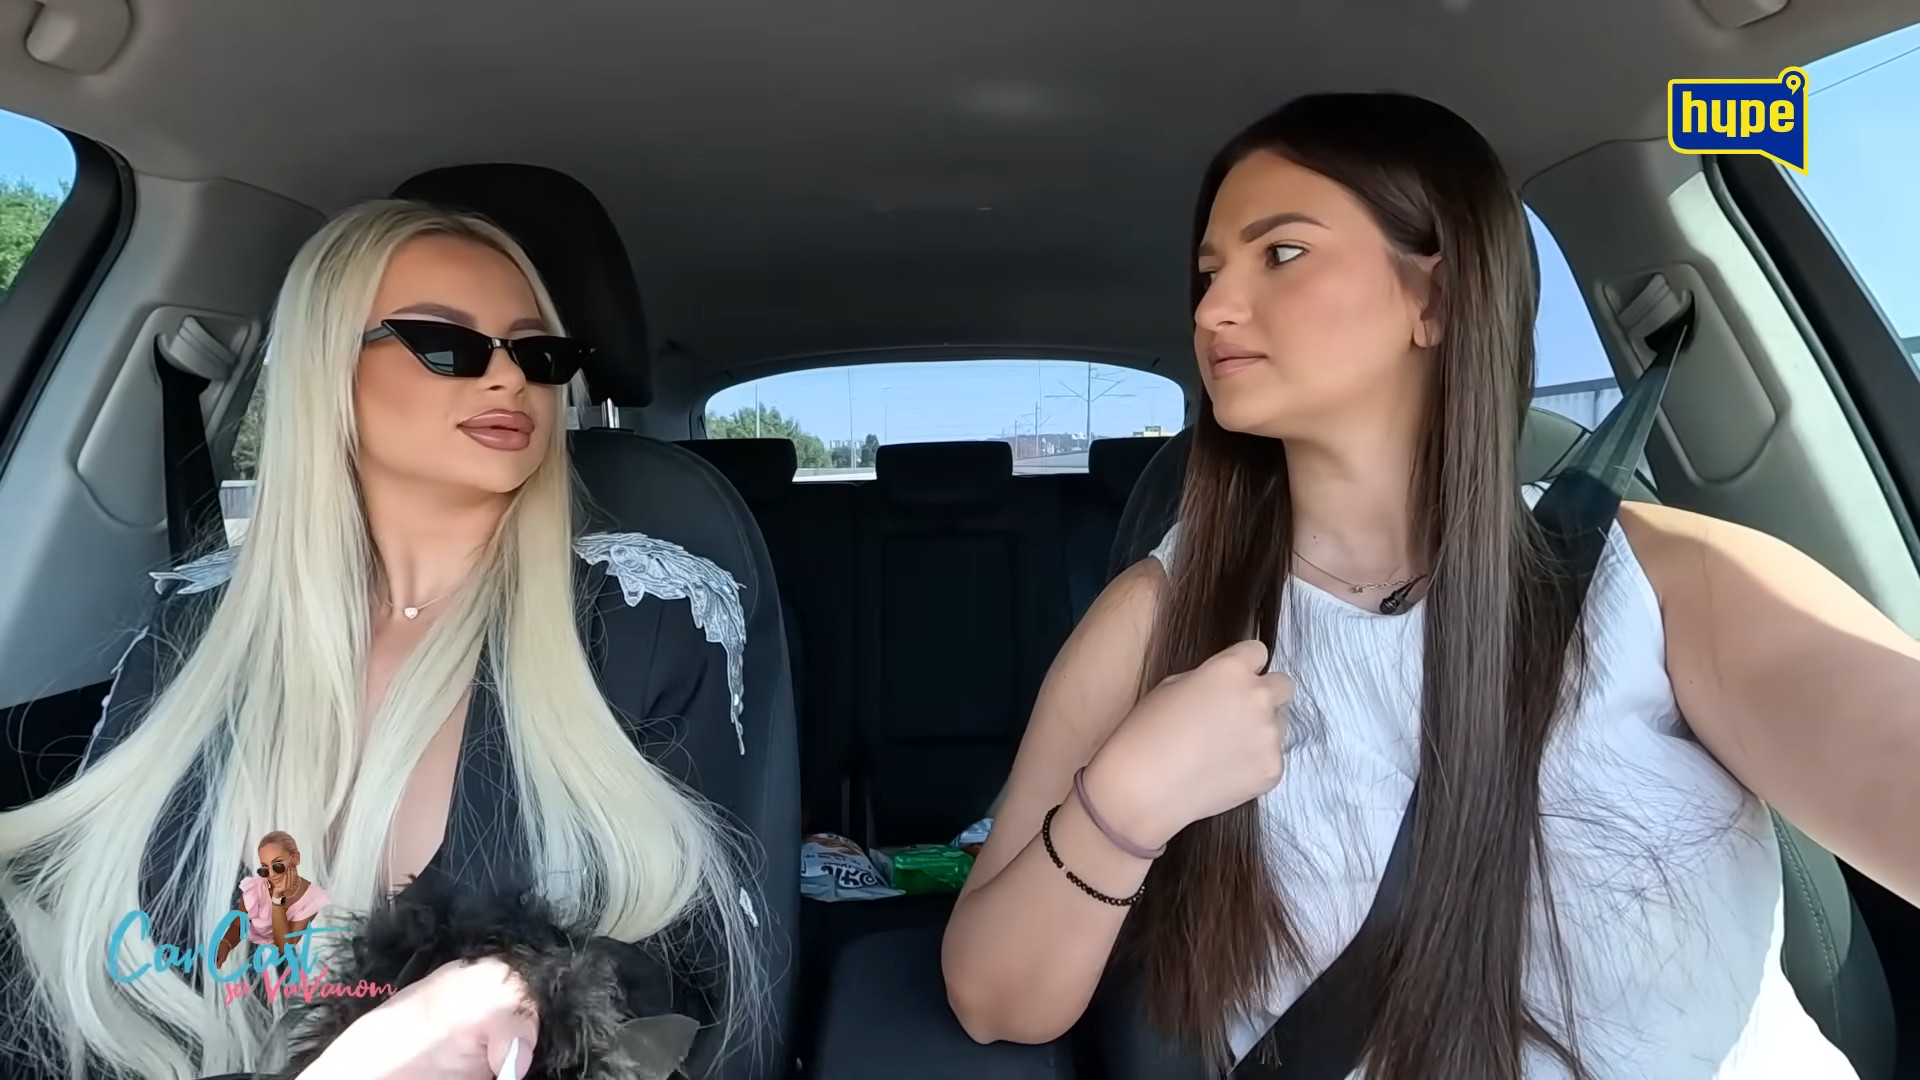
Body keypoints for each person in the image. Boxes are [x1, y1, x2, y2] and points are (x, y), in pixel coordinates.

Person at [943, 92, 1920, 1079]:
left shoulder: (1664, 579)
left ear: (1436, 299)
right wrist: (1128, 800)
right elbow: (992, 1002)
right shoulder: (1162, 615)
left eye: (1282, 252)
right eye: (1207, 274)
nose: (1211, 310)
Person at [0, 201, 764, 1079]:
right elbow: (79, 930)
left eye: (539, 355)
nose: (508, 377)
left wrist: (526, 995)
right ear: (329, 367)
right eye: (446, 344)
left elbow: (698, 966)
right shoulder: (195, 622)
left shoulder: (646, 618)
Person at [213, 832, 332, 969]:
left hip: (290, 965)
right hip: (253, 958)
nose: (272, 874)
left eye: (278, 865)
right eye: (265, 868)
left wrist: (277, 899)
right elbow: (239, 924)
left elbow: (285, 946)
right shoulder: (256, 888)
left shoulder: (312, 898)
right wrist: (226, 944)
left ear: (296, 858)